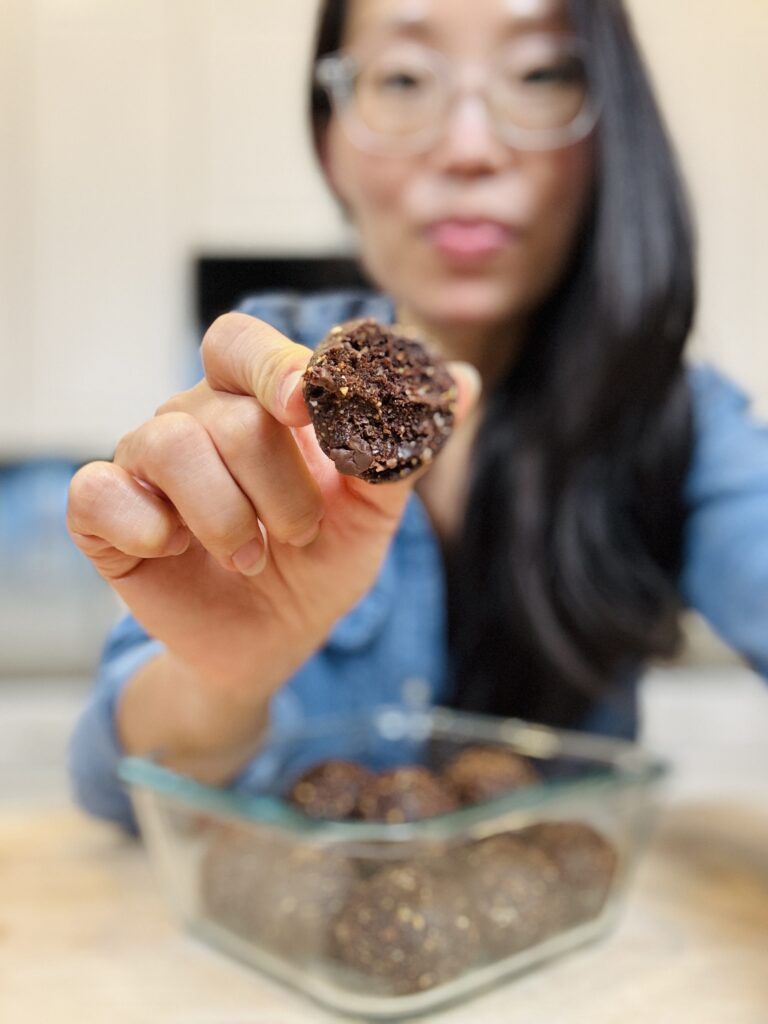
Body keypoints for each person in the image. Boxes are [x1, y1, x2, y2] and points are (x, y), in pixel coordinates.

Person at [67, 0, 768, 832]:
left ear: (607, 136)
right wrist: (221, 680)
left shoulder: (678, 422)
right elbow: (110, 788)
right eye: (403, 79)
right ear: (332, 144)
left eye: (540, 74)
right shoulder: (257, 402)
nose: (469, 148)